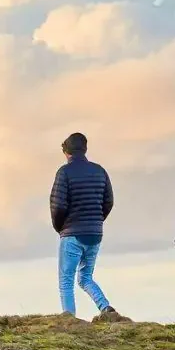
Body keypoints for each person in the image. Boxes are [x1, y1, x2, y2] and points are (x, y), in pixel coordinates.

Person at [48, 132, 120, 321]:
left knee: (66, 280)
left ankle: (69, 319)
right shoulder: (100, 171)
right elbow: (109, 201)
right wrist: (96, 220)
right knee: (85, 277)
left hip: (72, 233)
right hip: (94, 233)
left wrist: (60, 227)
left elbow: (58, 205)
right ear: (85, 149)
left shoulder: (64, 172)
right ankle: (105, 307)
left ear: (67, 152)